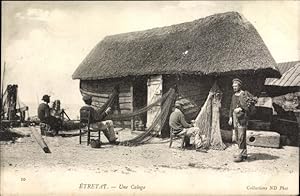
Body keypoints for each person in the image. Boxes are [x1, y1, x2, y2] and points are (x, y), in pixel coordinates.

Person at [228, 78, 252, 162]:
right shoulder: (234, 96)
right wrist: (230, 117)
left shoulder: (244, 95)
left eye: (235, 86)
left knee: (242, 136)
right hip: (235, 118)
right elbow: (231, 107)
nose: (234, 88)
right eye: (233, 86)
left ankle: (240, 155)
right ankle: (243, 153)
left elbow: (248, 107)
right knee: (238, 136)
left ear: (239, 86)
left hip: (242, 118)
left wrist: (241, 109)